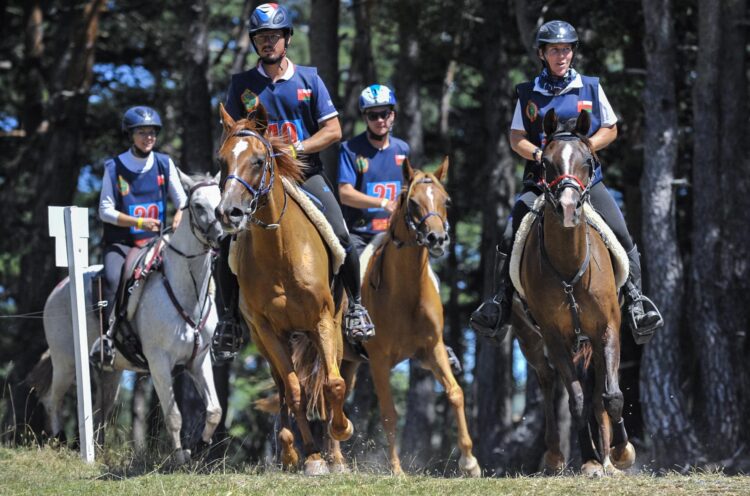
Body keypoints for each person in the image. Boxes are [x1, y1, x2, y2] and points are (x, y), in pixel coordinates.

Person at [469, 20, 663, 345]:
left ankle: (636, 303)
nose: (562, 55)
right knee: (507, 237)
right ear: (542, 54)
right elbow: (516, 137)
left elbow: (611, 128)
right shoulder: (529, 94)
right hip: (541, 183)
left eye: (567, 49)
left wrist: (586, 147)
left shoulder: (589, 87)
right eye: (555, 50)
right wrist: (537, 154)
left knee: (622, 233)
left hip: (585, 182)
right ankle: (499, 303)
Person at [213, 3, 374, 360]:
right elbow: (233, 133)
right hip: (257, 179)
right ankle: (228, 320)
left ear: (286, 39)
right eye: (261, 38)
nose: (267, 43)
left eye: (273, 37)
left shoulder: (309, 79)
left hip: (304, 174)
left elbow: (333, 130)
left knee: (341, 234)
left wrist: (296, 148)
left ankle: (357, 308)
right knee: (227, 240)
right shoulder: (241, 85)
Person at [90, 106, 188, 366]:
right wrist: (138, 221)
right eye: (142, 132)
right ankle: (107, 338)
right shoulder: (114, 168)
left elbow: (182, 200)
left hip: (156, 243)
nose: (149, 138)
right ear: (130, 135)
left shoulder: (165, 164)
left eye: (153, 132)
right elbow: (105, 210)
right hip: (122, 243)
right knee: (112, 278)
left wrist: (180, 213)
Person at [338, 84, 408, 254]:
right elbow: (345, 194)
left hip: (398, 234)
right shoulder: (349, 149)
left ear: (393, 115)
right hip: (361, 235)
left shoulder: (403, 149)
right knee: (353, 276)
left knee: (428, 277)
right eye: (373, 115)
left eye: (384, 114)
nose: (379, 120)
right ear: (365, 118)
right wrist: (384, 203)